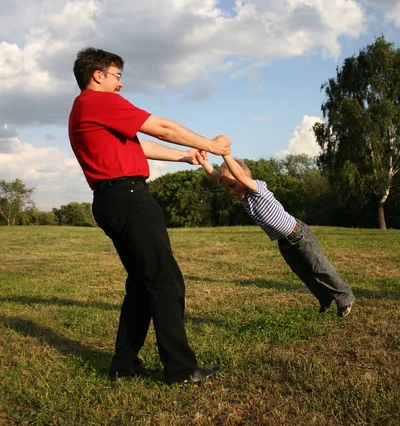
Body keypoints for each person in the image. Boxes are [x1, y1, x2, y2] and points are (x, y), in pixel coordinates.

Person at [69, 47, 231, 385]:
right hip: (129, 198)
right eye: (117, 76)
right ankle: (181, 370)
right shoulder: (98, 101)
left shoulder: (84, 110)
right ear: (98, 75)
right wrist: (211, 145)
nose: (120, 85)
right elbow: (162, 127)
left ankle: (124, 367)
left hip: (110, 199)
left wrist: (184, 157)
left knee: (142, 285)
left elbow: (139, 146)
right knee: (165, 282)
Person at [196, 152, 355, 317]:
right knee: (304, 273)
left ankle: (344, 296)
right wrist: (204, 162)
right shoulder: (245, 198)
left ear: (243, 176)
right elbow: (218, 177)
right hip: (284, 243)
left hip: (298, 235)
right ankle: (325, 298)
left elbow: (237, 174)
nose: (230, 191)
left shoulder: (256, 189)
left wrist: (224, 154)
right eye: (228, 188)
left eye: (233, 186)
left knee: (319, 267)